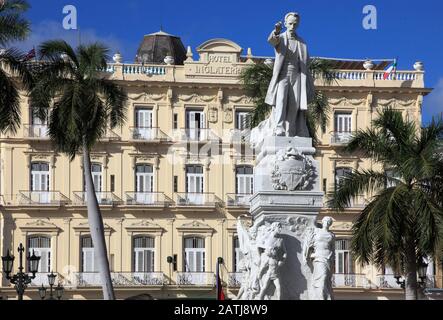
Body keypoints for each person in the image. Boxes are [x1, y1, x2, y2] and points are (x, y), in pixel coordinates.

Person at [265, 12, 315, 137]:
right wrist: (276, 31)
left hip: (297, 75)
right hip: (283, 74)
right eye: (290, 23)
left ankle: (290, 130)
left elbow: (306, 61)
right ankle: (279, 127)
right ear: (286, 24)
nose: (293, 26)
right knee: (281, 100)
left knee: (294, 104)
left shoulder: (302, 42)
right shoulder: (281, 37)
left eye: (295, 24)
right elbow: (272, 41)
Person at [303, 217, 335, 300]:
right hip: (318, 257)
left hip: (328, 257)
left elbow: (333, 249)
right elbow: (308, 242)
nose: (327, 223)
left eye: (329, 222)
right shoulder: (317, 231)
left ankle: (324, 296)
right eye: (326, 221)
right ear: (323, 222)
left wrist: (333, 260)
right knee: (322, 277)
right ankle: (323, 297)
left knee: (326, 279)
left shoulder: (332, 235)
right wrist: (306, 254)